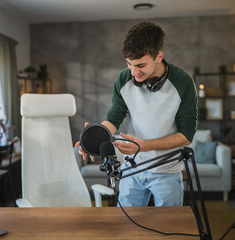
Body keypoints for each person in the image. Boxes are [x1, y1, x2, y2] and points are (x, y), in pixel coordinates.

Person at [75, 21, 197, 207]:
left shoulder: (183, 83)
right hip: (132, 169)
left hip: (167, 171)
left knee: (169, 231)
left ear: (159, 56)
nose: (134, 72)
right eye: (129, 64)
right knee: (126, 230)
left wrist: (145, 146)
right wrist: (93, 139)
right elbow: (114, 117)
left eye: (141, 65)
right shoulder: (124, 79)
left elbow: (186, 136)